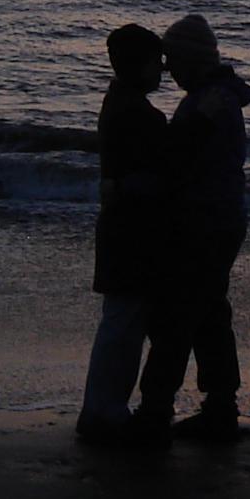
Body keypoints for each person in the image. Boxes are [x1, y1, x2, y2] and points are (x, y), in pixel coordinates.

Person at [139, 13, 250, 442]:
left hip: (206, 221)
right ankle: (220, 405)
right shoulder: (216, 96)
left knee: (177, 314)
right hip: (220, 218)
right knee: (207, 313)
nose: (169, 71)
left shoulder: (210, 102)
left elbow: (178, 151)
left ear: (192, 60)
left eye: (172, 60)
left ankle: (156, 408)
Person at [74, 23, 173, 447]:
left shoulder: (117, 105)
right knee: (123, 325)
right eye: (157, 63)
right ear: (140, 66)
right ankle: (104, 411)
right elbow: (161, 174)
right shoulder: (139, 115)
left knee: (122, 323)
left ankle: (105, 408)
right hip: (134, 232)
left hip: (122, 229)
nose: (162, 71)